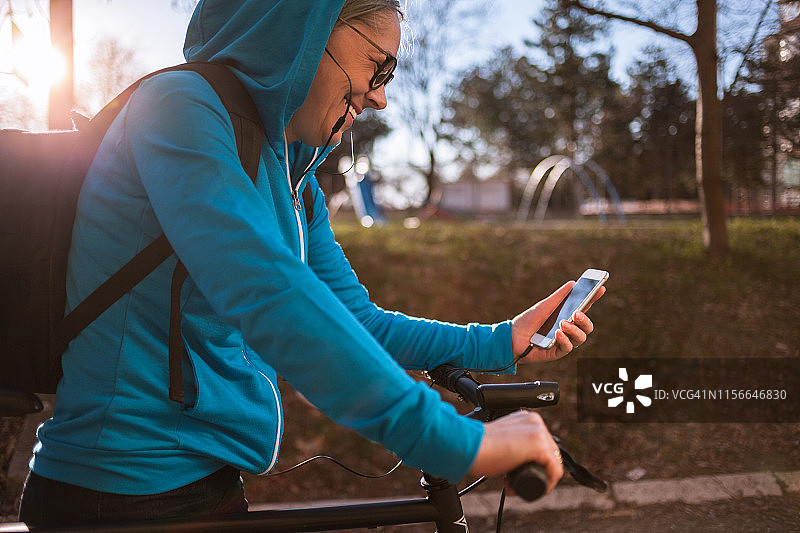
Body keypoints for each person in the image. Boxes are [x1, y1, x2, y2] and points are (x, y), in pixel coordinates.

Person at [18, 0, 604, 527]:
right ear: (302, 28)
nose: (380, 96)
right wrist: (451, 441)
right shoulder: (178, 107)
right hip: (117, 492)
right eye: (378, 66)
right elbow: (267, 294)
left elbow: (356, 321)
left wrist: (500, 341)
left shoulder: (294, 176)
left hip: (207, 482)